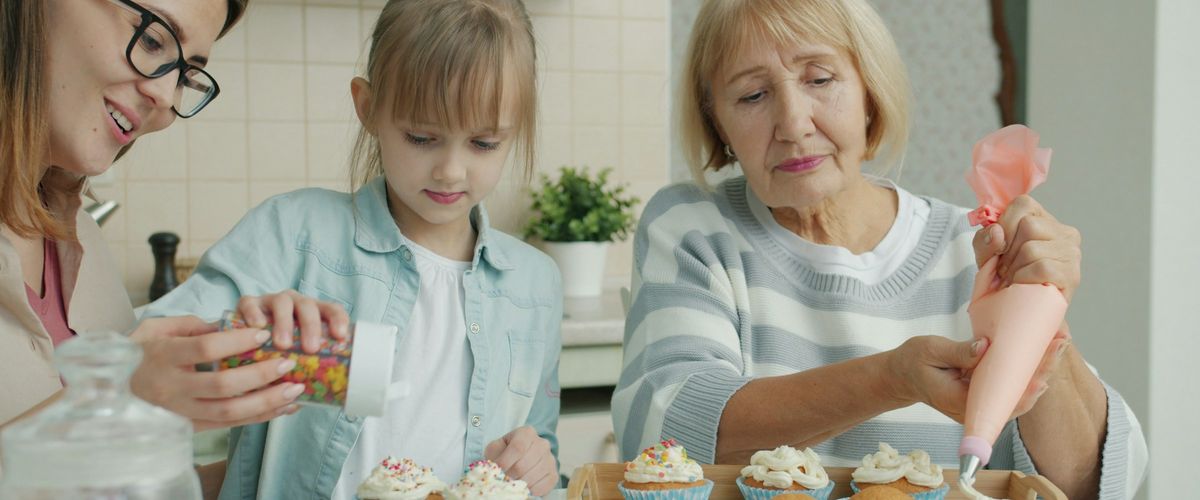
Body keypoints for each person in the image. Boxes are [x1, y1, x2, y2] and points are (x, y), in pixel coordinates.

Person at [611, 1, 1146, 498]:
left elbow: (1092, 482)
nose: (795, 125)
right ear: (717, 121)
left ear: (870, 92)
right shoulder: (693, 228)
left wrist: (1040, 307)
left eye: (820, 79)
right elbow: (662, 433)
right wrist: (890, 379)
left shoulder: (974, 245)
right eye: (752, 95)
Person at [144, 0, 562, 498]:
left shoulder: (535, 284)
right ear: (368, 108)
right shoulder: (292, 235)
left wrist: (539, 463)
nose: (451, 170)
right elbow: (145, 363)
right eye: (422, 137)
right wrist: (250, 333)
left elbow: (540, 446)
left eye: (484, 144)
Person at [0, 0, 336, 434]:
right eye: (153, 39)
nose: (164, 97)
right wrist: (111, 399)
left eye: (186, 76)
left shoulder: (74, 228)